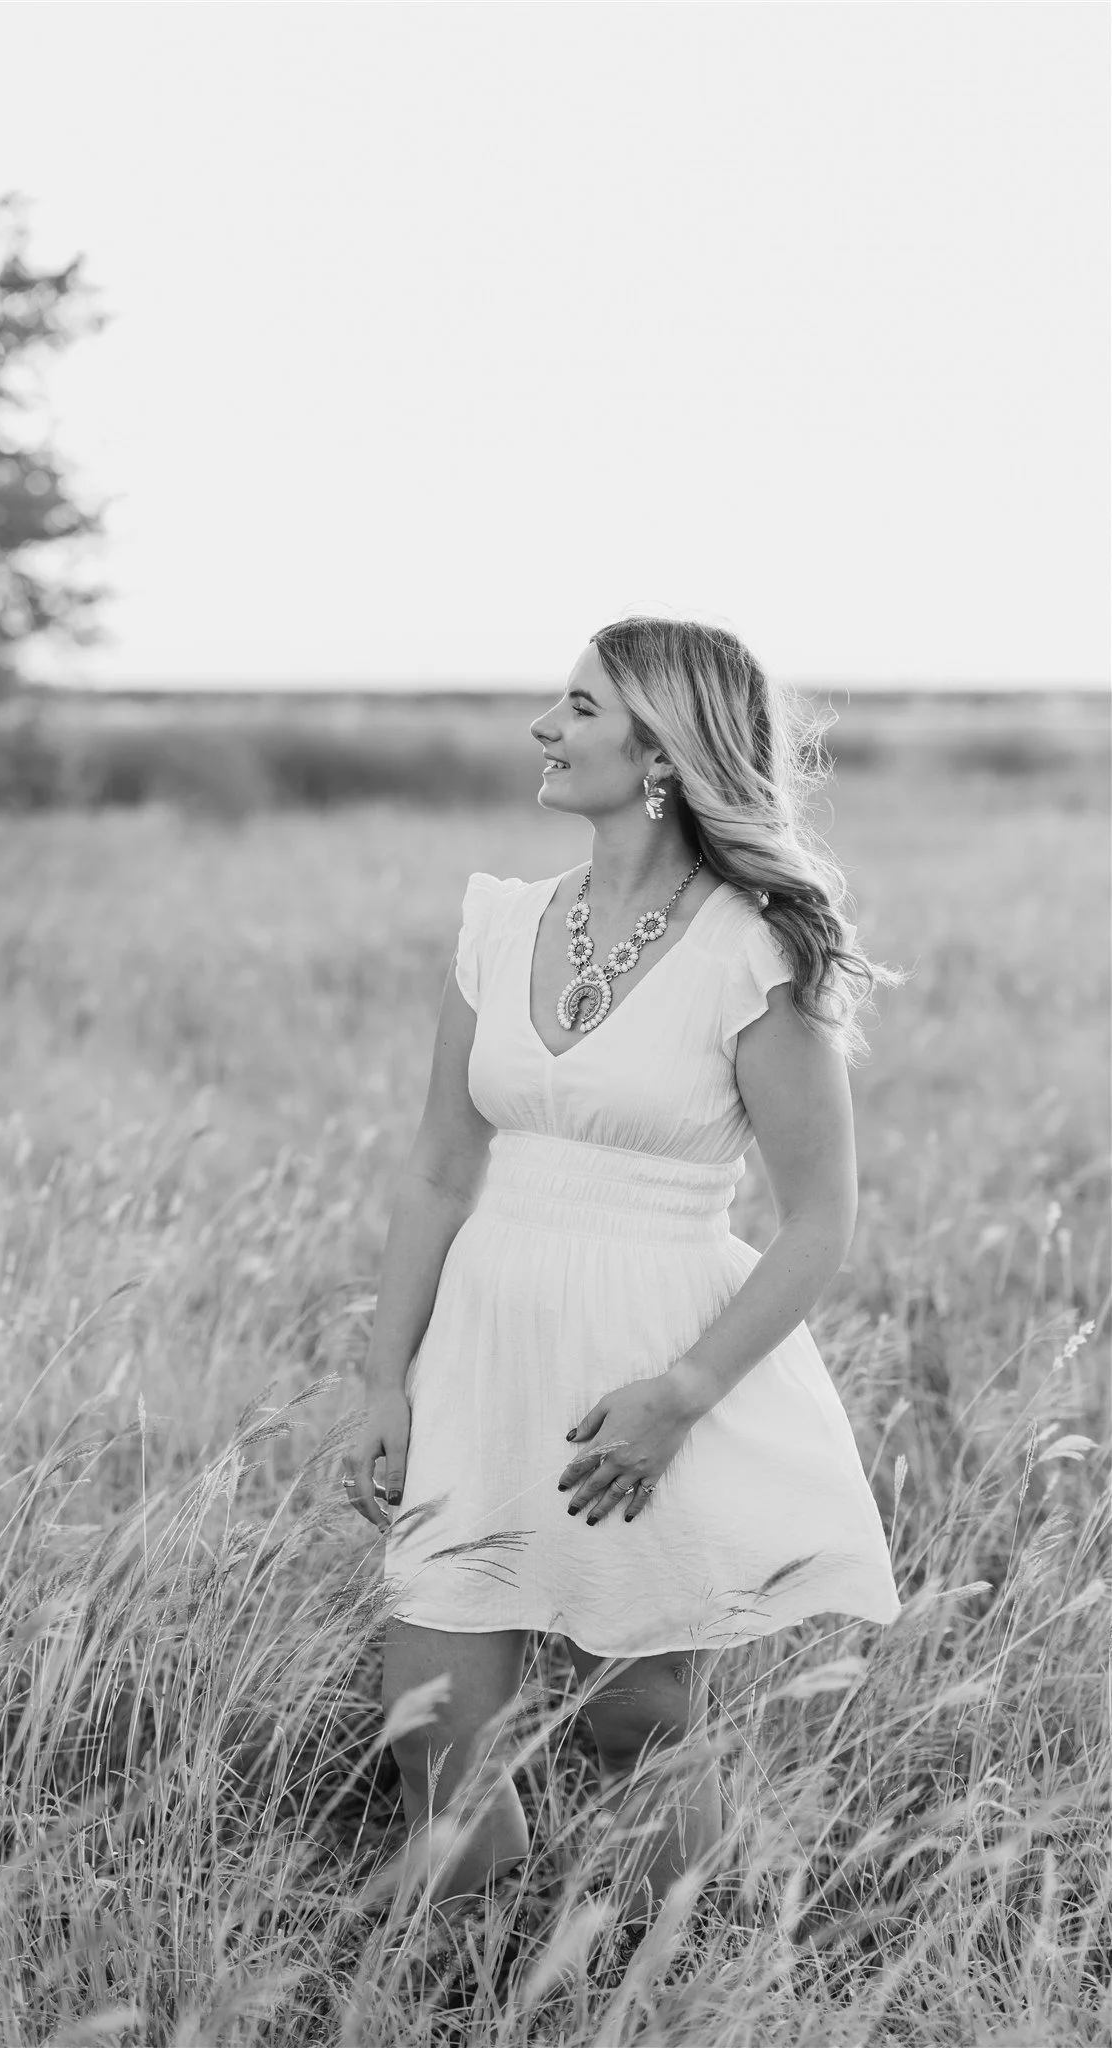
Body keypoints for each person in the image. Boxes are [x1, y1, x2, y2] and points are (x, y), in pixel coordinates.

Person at [340, 616, 902, 1959]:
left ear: (659, 749)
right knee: (432, 1743)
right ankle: (475, 1994)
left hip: (646, 1364)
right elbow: (434, 1169)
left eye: (576, 707)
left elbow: (820, 1219)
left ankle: (665, 1992)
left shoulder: (748, 951)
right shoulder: (501, 920)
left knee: (636, 1721)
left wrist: (679, 1396)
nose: (544, 727)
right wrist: (380, 1377)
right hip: (477, 1351)